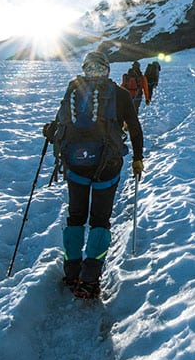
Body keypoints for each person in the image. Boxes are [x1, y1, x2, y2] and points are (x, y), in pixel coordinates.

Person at [44, 51, 144, 299]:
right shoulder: (119, 94)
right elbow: (134, 127)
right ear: (107, 70)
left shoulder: (74, 90)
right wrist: (137, 158)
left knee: (76, 217)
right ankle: (89, 279)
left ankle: (71, 272)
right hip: (107, 166)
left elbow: (59, 124)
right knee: (100, 220)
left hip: (75, 166)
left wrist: (50, 132)